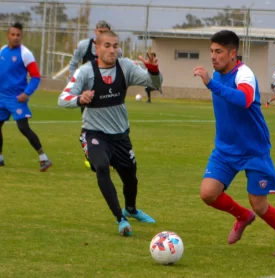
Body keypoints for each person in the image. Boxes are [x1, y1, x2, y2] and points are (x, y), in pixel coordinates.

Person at [193, 30, 275, 256]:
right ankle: (242, 216)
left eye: (218, 51)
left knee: (259, 205)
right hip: (225, 149)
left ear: (232, 53)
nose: (213, 56)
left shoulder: (244, 74)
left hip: (253, 150)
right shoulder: (218, 74)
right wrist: (213, 82)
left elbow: (244, 99)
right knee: (208, 193)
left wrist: (211, 83)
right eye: (211, 51)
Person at [58, 30, 162, 236]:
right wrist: (80, 99)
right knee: (102, 168)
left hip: (120, 136)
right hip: (94, 133)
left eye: (115, 46)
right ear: (97, 48)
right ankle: (120, 219)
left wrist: (153, 71)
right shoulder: (86, 71)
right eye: (107, 46)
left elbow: (155, 85)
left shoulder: (126, 67)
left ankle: (130, 210)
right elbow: (62, 99)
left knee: (131, 179)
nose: (112, 50)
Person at [68, 20, 123, 168]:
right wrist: (74, 84)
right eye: (100, 32)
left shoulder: (116, 51)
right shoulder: (84, 46)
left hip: (107, 92)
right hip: (88, 93)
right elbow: (73, 63)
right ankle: (91, 154)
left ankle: (107, 155)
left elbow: (121, 69)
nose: (102, 35)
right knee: (90, 124)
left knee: (110, 124)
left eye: (105, 32)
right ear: (95, 31)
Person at [0, 22, 52, 171]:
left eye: (18, 35)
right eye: (13, 34)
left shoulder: (25, 54)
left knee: (23, 128)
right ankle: (0, 158)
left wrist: (26, 93)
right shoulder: (2, 51)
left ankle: (44, 158)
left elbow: (35, 77)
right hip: (1, 97)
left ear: (21, 36)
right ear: (7, 35)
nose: (16, 37)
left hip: (16, 99)